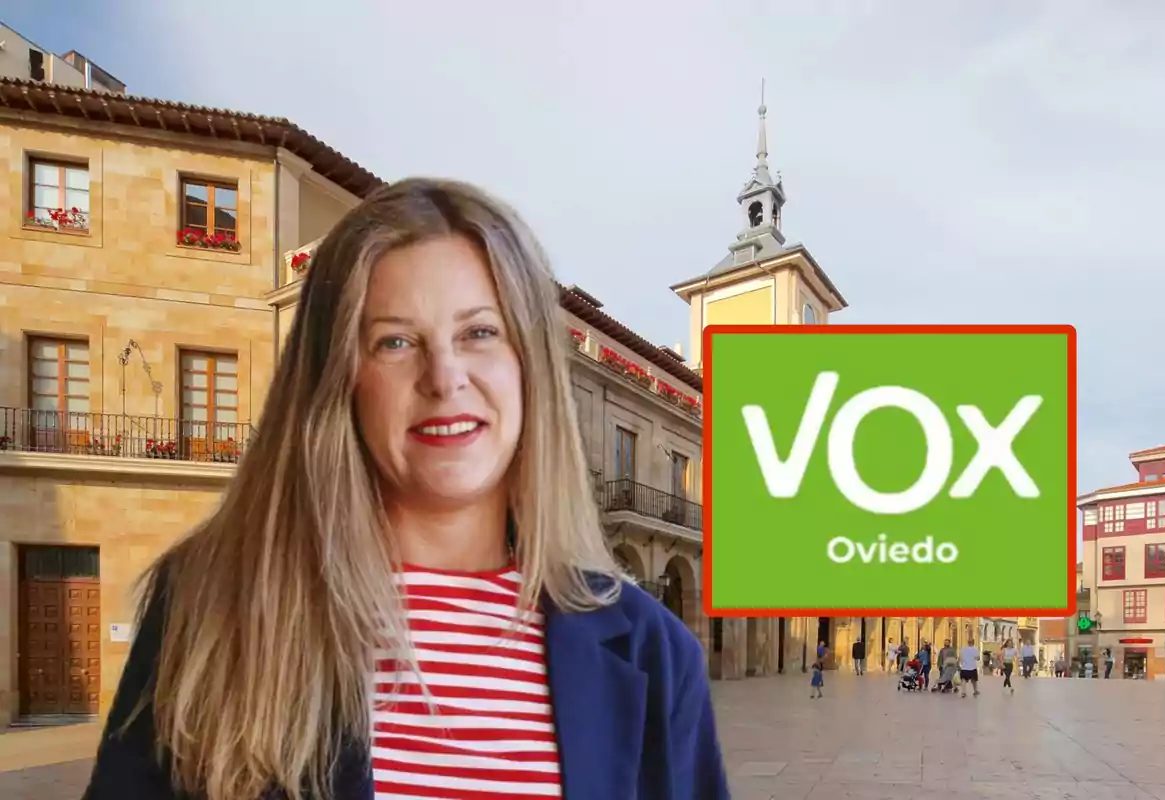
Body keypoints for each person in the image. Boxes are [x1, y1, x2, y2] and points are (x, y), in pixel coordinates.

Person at [82, 179, 729, 800]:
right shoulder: (212, 608)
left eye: (479, 333)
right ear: (339, 380)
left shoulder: (654, 655)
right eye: (394, 341)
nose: (444, 377)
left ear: (529, 370)